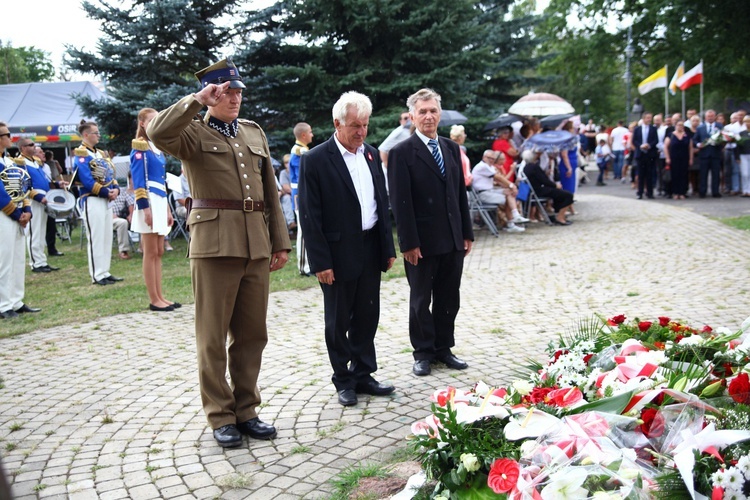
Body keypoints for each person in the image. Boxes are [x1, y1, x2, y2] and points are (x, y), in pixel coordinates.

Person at [148, 58, 291, 448]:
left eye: (238, 90)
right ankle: (220, 415)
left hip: (255, 245)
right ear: (211, 94)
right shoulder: (191, 133)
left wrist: (279, 241)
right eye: (225, 91)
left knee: (252, 335)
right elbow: (157, 131)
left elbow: (270, 196)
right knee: (211, 337)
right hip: (214, 247)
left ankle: (247, 410)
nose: (234, 97)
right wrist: (197, 100)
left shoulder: (253, 132)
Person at [298, 91, 397, 407]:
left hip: (370, 246)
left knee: (368, 314)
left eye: (365, 125)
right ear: (336, 123)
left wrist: (387, 247)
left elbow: (380, 203)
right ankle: (343, 379)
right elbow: (310, 215)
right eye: (355, 125)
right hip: (337, 253)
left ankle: (364, 373)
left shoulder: (370, 154)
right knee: (339, 319)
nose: (361, 132)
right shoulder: (315, 160)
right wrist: (321, 261)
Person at [387, 88, 474, 377]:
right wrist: (408, 242)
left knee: (449, 296)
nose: (428, 116)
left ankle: (443, 348)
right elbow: (401, 202)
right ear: (412, 116)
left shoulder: (450, 148)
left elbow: (459, 193)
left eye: (432, 110)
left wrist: (466, 232)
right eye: (422, 111)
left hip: (451, 238)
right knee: (421, 299)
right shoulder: (402, 153)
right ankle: (423, 352)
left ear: (439, 114)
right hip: (421, 243)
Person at [130, 107, 178, 312]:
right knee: (150, 252)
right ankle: (153, 299)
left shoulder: (156, 147)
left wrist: (166, 209)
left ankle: (160, 295)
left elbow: (162, 183)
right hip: (147, 201)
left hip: (159, 201)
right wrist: (144, 208)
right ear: (142, 123)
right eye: (152, 120)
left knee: (159, 251)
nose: (156, 123)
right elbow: (139, 180)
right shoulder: (140, 147)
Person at [74, 121, 123, 285]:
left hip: (106, 199)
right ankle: (97, 274)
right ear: (86, 135)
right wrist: (105, 191)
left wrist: (115, 188)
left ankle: (105, 270)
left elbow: (110, 173)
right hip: (92, 198)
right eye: (95, 133)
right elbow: (86, 179)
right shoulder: (81, 153)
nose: (98, 135)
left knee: (106, 236)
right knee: (96, 237)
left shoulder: (101, 153)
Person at [0, 121, 38, 318]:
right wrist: (17, 213)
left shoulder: (10, 162)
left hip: (17, 213)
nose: (10, 137)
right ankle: (3, 304)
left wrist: (27, 209)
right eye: (6, 134)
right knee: (4, 260)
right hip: (4, 214)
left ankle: (16, 300)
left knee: (17, 259)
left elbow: (24, 186)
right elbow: (0, 194)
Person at [15, 139, 59, 273]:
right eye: (31, 145)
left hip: (43, 197)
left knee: (41, 231)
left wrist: (57, 185)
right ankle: (35, 263)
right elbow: (24, 184)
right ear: (22, 147)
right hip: (34, 199)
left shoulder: (34, 161)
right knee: (34, 231)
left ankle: (41, 260)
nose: (34, 147)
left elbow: (44, 180)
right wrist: (39, 197)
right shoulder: (20, 162)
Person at [471, 150, 528, 232]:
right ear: (484, 157)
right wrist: (512, 185)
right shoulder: (482, 166)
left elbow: (499, 180)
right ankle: (512, 221)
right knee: (508, 197)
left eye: (493, 159)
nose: (491, 160)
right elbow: (498, 178)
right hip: (482, 194)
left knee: (509, 193)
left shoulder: (490, 166)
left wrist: (511, 187)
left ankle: (514, 218)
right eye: (489, 158)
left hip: (489, 191)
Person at [521, 150, 574, 225]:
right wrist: (555, 185)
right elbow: (544, 180)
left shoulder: (526, 168)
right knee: (568, 195)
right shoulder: (534, 167)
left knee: (559, 194)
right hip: (539, 190)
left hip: (533, 190)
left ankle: (558, 215)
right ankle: (560, 217)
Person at [289, 122, 314, 276]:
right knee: (304, 232)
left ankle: (306, 265)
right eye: (310, 132)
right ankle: (303, 267)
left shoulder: (301, 150)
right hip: (301, 195)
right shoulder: (300, 151)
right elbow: (302, 177)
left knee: (306, 230)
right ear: (303, 135)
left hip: (300, 194)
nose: (312, 135)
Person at [693, 109, 723, 198]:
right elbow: (695, 139)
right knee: (703, 174)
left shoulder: (719, 126)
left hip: (716, 154)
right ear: (705, 117)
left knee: (716, 174)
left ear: (715, 117)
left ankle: (715, 192)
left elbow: (724, 138)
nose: (710, 118)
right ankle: (702, 192)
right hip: (704, 155)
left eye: (712, 116)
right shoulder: (700, 127)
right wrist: (698, 144)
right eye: (708, 116)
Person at [629, 112, 658, 199]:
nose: (649, 120)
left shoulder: (653, 129)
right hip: (640, 154)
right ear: (644, 118)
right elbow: (634, 140)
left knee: (650, 174)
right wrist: (640, 145)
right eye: (648, 118)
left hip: (650, 154)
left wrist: (649, 145)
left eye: (650, 118)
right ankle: (640, 192)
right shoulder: (637, 129)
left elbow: (655, 140)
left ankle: (650, 192)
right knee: (640, 174)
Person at [664, 119, 693, 200]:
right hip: (674, 158)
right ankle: (675, 192)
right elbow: (665, 147)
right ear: (675, 126)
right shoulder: (671, 135)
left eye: (682, 125)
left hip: (684, 158)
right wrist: (667, 157)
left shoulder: (687, 135)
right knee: (675, 175)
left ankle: (682, 192)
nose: (680, 127)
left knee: (684, 175)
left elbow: (690, 148)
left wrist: (691, 159)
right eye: (678, 125)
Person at [110, 172, 135, 259]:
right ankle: (123, 251)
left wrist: (131, 214)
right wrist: (110, 214)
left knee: (140, 218)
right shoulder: (101, 192)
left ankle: (143, 248)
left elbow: (131, 203)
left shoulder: (122, 192)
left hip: (122, 216)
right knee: (122, 223)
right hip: (107, 218)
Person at [278, 154, 296, 234]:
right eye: (286, 163)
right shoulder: (283, 173)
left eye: (289, 162)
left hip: (296, 195)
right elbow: (286, 188)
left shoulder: (296, 171)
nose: (288, 164)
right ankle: (290, 222)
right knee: (287, 198)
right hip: (289, 195)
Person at [737, 115, 750, 197]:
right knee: (744, 173)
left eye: (748, 121)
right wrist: (737, 157)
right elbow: (738, 146)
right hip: (743, 155)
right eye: (745, 121)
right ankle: (745, 190)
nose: (747, 123)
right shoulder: (741, 133)